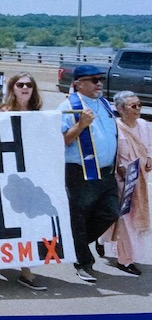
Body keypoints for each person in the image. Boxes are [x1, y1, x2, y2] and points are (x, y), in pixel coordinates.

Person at [56, 64, 119, 283]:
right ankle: (82, 262)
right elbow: (60, 141)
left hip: (106, 172)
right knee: (79, 217)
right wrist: (81, 125)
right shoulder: (67, 107)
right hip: (80, 171)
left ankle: (74, 244)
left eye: (99, 79)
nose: (99, 83)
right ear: (78, 84)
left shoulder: (103, 103)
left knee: (111, 212)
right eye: (93, 80)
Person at [0, 72, 46, 291]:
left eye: (29, 84)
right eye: (20, 84)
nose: (25, 87)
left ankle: (26, 270)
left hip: (33, 177)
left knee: (29, 222)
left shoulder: (40, 114)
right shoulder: (4, 112)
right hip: (10, 177)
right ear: (12, 88)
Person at [98, 90, 152, 276]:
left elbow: (149, 146)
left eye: (139, 105)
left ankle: (101, 238)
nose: (137, 109)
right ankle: (125, 260)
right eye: (133, 106)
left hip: (140, 181)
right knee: (125, 220)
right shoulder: (114, 128)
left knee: (131, 217)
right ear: (120, 109)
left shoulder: (144, 126)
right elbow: (108, 153)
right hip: (121, 182)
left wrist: (150, 157)